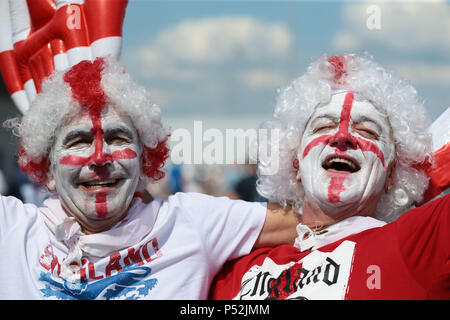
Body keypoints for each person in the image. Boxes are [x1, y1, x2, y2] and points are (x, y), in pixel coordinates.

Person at [0, 57, 299, 300]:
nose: (100, 158)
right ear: (49, 171)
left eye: (118, 137)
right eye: (78, 141)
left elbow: (311, 220)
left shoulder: (191, 223)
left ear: (144, 163)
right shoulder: (12, 230)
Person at [211, 54, 449, 300]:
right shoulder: (235, 269)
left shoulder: (414, 247)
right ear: (296, 164)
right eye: (323, 126)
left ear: (391, 174)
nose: (342, 136)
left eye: (367, 130)